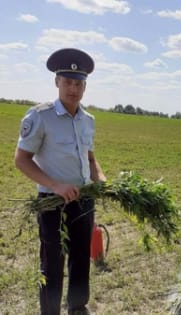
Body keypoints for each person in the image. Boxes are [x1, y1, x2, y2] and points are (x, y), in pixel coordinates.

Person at [15, 48, 106, 315]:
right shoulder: (39, 117)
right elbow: (21, 160)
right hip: (52, 203)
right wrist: (56, 186)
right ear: (57, 82)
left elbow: (90, 159)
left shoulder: (88, 120)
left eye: (79, 84)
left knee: (80, 258)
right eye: (68, 82)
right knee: (52, 263)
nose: (73, 89)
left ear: (85, 86)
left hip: (83, 201)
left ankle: (77, 307)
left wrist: (100, 177)